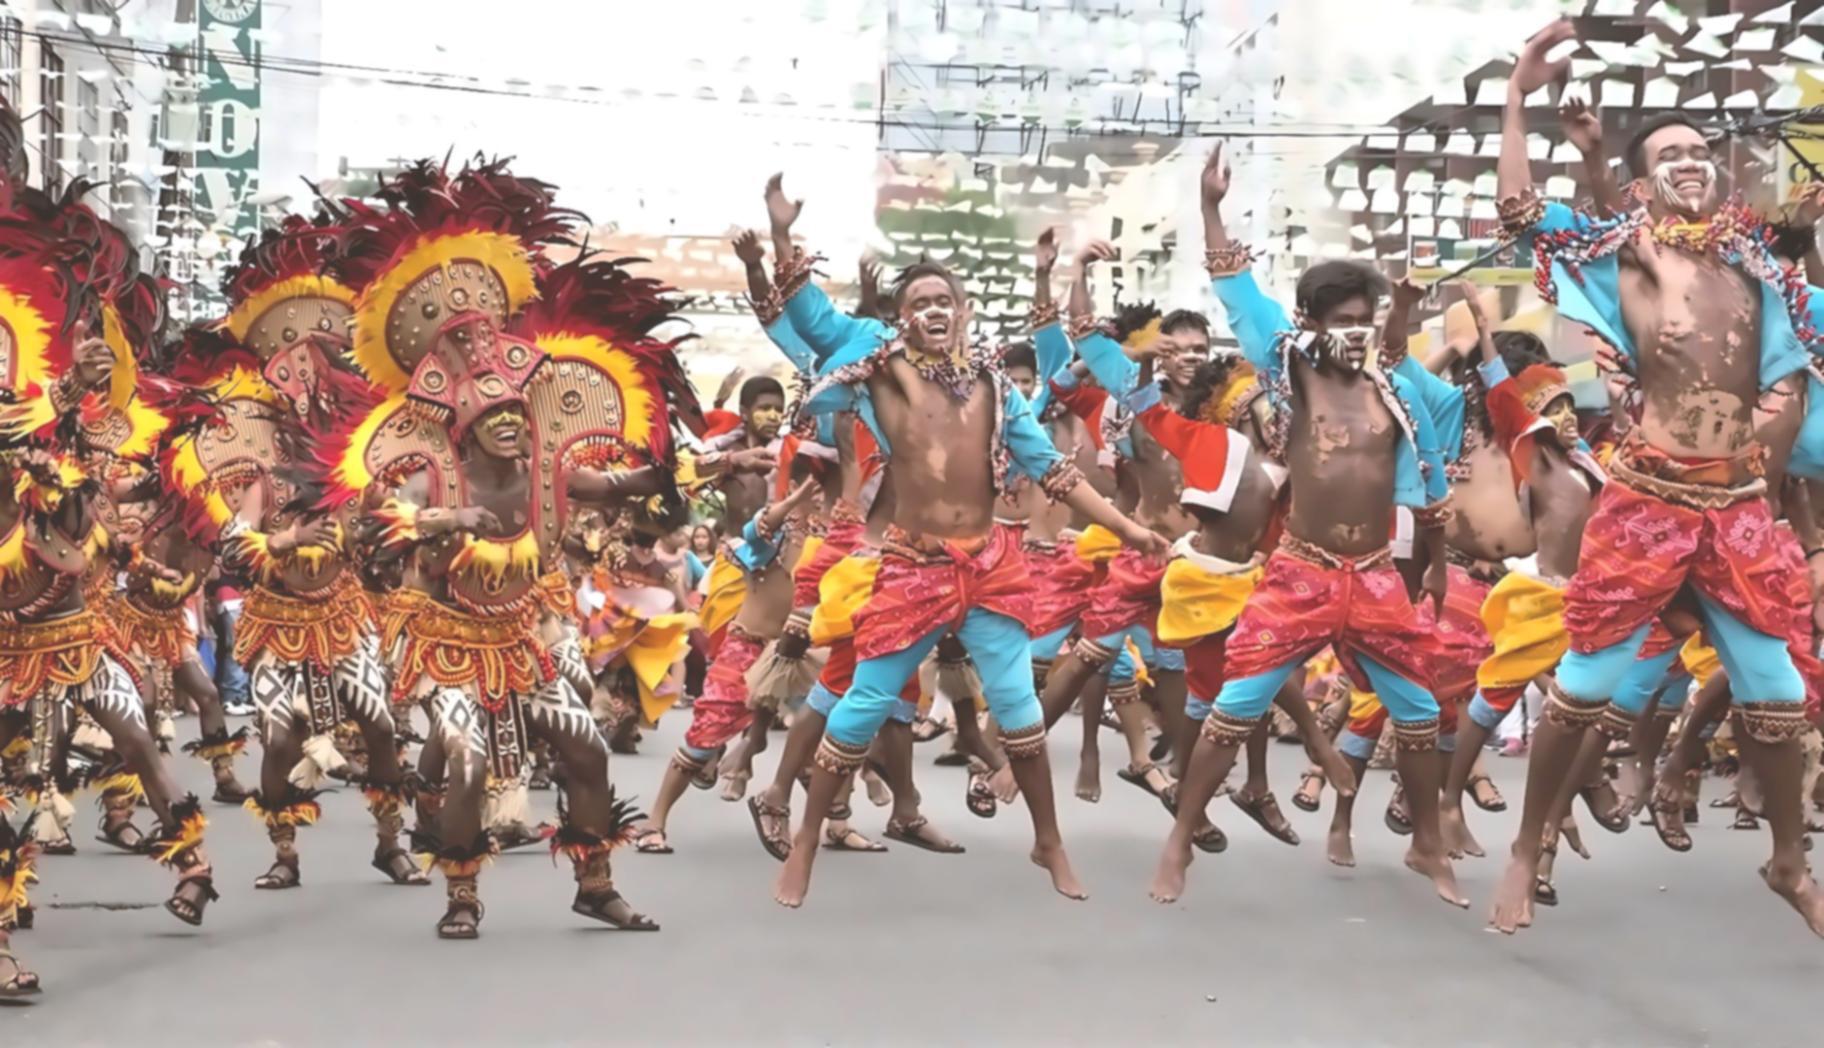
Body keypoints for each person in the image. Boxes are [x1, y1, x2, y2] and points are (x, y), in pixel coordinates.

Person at [1488, 20, 1824, 937]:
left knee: (1782, 691)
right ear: (1643, 185)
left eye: (1699, 149)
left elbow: (1802, 355)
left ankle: (1789, 862)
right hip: (1649, 501)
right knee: (1587, 684)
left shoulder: (1762, 272)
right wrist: (1520, 95)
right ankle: (1526, 847)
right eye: (1668, 153)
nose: (1691, 161)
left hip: (1742, 508)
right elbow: (1524, 212)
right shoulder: (1630, 258)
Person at [760, 173, 1165, 907]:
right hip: (913, 566)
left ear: (966, 310)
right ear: (900, 318)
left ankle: (1048, 841)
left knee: (1019, 707)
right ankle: (808, 841)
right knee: (860, 704)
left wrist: (1132, 529)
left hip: (989, 567)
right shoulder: (878, 371)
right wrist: (783, 235)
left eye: (945, 300)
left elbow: (1053, 472)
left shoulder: (997, 388)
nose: (934, 312)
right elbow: (812, 320)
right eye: (919, 304)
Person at [1149, 145, 1464, 908]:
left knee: (1421, 712)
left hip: (1377, 578)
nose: (1355, 332)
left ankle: (1427, 844)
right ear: (1313, 323)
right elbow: (1236, 289)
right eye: (1341, 320)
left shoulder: (1398, 394)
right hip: (1300, 572)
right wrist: (1212, 206)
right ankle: (1179, 843)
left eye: (1365, 320)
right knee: (1233, 711)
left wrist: (1434, 566)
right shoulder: (1289, 367)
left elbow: (1429, 493)